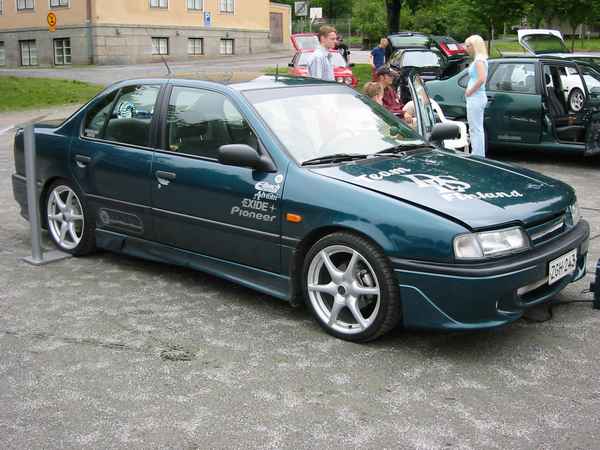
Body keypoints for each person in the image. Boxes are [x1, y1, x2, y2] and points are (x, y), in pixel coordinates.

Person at [464, 34, 488, 157]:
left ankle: (477, 155)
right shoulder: (481, 59)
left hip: (476, 97)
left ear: (474, 46)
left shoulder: (479, 60)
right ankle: (478, 153)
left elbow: (481, 79)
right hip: (477, 97)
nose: (466, 48)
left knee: (475, 129)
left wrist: (470, 91)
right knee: (476, 128)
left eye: (468, 45)